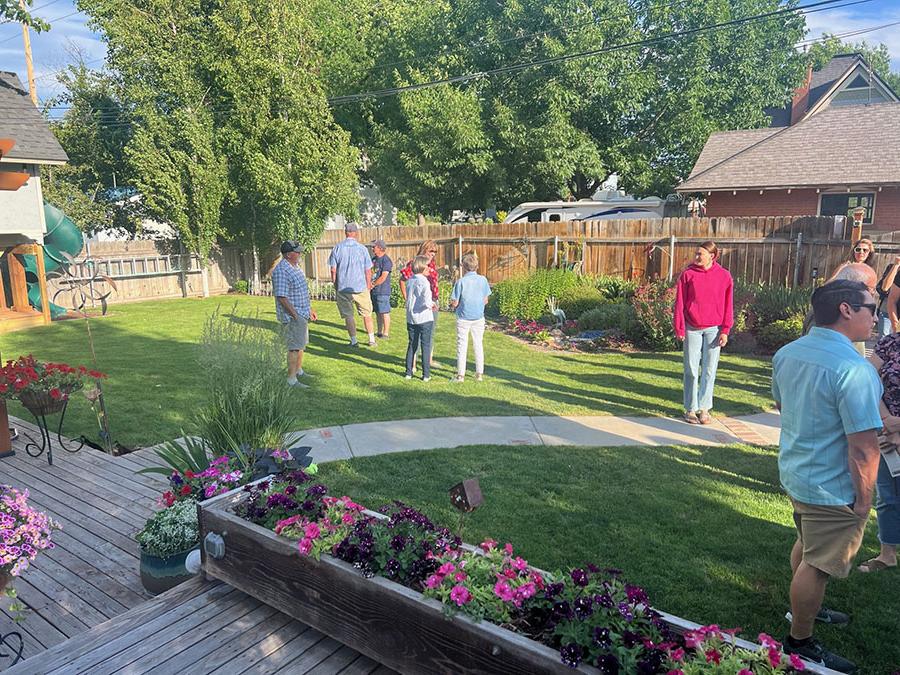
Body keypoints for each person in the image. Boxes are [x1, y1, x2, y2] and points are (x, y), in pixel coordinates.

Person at [772, 279, 882, 673]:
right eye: (872, 307)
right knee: (817, 565)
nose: (877, 315)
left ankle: (804, 611)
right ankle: (799, 641)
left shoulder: (787, 353)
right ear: (847, 310)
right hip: (832, 487)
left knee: (807, 544)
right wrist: (865, 500)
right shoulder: (853, 369)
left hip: (797, 473)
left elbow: (784, 406)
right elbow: (864, 448)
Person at [673, 240, 733, 425]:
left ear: (712, 256)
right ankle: (690, 409)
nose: (696, 257)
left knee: (709, 370)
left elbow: (728, 305)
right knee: (691, 369)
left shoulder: (724, 276)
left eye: (700, 254)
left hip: (714, 330)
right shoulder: (688, 275)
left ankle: (704, 409)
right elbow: (680, 303)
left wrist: (725, 330)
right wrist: (679, 327)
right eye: (696, 254)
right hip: (692, 328)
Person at [857, 333, 900, 573]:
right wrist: (887, 421)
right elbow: (867, 379)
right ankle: (887, 555)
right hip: (886, 431)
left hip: (894, 428)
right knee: (889, 494)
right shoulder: (889, 342)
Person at [272, 240, 317, 387]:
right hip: (292, 316)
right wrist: (295, 315)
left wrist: (309, 310)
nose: (299, 254)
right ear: (289, 254)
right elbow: (282, 297)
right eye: (297, 252)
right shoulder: (281, 271)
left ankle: (299, 371)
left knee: (301, 344)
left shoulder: (295, 267)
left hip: (302, 312)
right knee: (294, 347)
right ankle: (291, 380)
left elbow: (301, 292)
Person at [328, 223, 375, 347]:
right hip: (360, 286)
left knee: (348, 315)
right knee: (367, 313)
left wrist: (335, 284)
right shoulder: (362, 249)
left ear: (345, 232)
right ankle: (371, 339)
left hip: (343, 287)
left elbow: (333, 269)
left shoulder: (337, 248)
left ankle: (354, 341)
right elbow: (368, 270)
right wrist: (368, 285)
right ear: (356, 233)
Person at [449, 252, 492, 382]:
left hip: (463, 317)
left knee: (462, 345)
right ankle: (479, 374)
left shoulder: (460, 282)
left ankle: (460, 375)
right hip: (478, 317)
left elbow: (455, 302)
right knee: (478, 344)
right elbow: (486, 300)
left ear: (463, 266)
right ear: (477, 266)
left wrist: (452, 305)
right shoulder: (483, 280)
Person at [401, 240, 440, 366]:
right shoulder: (415, 264)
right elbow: (402, 280)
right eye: (431, 251)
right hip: (419, 304)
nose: (433, 254)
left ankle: (428, 360)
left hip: (433, 302)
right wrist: (407, 298)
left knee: (430, 332)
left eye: (435, 252)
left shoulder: (432, 265)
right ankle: (412, 363)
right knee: (416, 334)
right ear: (424, 250)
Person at [404, 256, 436, 382]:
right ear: (422, 267)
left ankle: (408, 372)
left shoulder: (410, 280)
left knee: (412, 344)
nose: (429, 268)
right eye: (427, 266)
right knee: (425, 345)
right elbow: (427, 302)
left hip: (411, 318)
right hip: (424, 318)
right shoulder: (425, 282)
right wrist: (433, 304)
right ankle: (426, 375)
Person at [370, 239, 393, 339]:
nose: (372, 248)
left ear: (380, 248)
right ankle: (379, 332)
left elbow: (383, 277)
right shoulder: (374, 260)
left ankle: (386, 333)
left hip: (383, 291)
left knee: (384, 312)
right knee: (377, 312)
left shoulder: (386, 260)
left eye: (374, 247)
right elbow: (370, 272)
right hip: (374, 291)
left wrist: (373, 284)